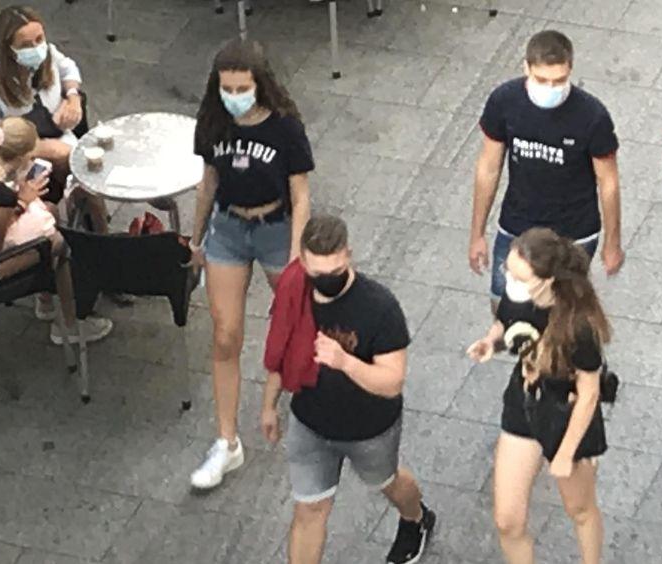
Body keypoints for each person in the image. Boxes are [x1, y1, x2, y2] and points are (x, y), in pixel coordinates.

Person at [260, 215, 435, 564]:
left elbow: (392, 382)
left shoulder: (379, 308)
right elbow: (282, 349)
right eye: (318, 272)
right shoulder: (295, 290)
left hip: (369, 429)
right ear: (302, 262)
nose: (326, 280)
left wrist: (345, 362)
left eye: (335, 270)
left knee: (387, 481)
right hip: (309, 422)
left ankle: (416, 518)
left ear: (349, 255)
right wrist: (269, 405)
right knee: (309, 512)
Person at [186, 38, 314, 490]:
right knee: (225, 334)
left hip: (276, 228)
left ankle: (308, 399)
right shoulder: (214, 122)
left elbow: (300, 194)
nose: (233, 95)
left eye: (242, 87)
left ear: (259, 85)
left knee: (299, 323)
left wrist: (297, 252)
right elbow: (208, 182)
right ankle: (226, 441)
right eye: (226, 86)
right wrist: (196, 238)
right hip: (228, 230)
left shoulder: (285, 129)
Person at [467, 227, 610, 564]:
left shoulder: (579, 326)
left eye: (520, 277)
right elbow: (506, 324)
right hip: (525, 400)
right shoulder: (517, 298)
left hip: (566, 411)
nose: (510, 282)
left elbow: (589, 393)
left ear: (548, 280)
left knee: (579, 508)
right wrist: (492, 342)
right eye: (509, 273)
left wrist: (565, 453)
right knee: (507, 519)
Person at [469, 29, 625, 312]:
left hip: (573, 234)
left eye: (560, 81)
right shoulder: (504, 102)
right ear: (526, 67)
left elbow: (609, 182)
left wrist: (612, 244)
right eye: (541, 80)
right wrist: (477, 233)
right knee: (502, 306)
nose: (551, 88)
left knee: (558, 313)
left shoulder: (592, 117)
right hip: (517, 223)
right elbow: (489, 168)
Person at [0, 117, 113, 344]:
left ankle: (46, 301)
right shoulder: (0, 196)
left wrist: (20, 196)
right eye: (31, 155)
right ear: (21, 157)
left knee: (50, 210)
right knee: (58, 243)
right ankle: (69, 324)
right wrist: (22, 203)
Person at [0, 4, 109, 233]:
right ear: (8, 48)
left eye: (39, 39)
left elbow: (68, 68)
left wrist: (72, 97)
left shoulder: (47, 54)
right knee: (72, 160)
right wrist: (42, 148)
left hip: (56, 133)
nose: (36, 48)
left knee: (90, 169)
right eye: (25, 45)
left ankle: (100, 231)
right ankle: (72, 224)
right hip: (14, 155)